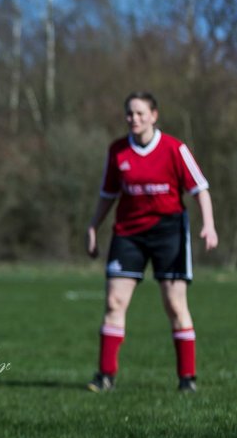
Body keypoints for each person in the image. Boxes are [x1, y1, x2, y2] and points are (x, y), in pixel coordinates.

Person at [85, 91, 216, 393]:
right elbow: (108, 195)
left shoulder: (174, 148)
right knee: (114, 301)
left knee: (174, 304)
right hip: (128, 233)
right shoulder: (118, 151)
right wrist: (93, 227)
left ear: (154, 116)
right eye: (130, 113)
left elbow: (201, 189)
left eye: (141, 113)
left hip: (169, 232)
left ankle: (187, 379)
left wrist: (208, 225)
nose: (134, 119)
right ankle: (105, 376)